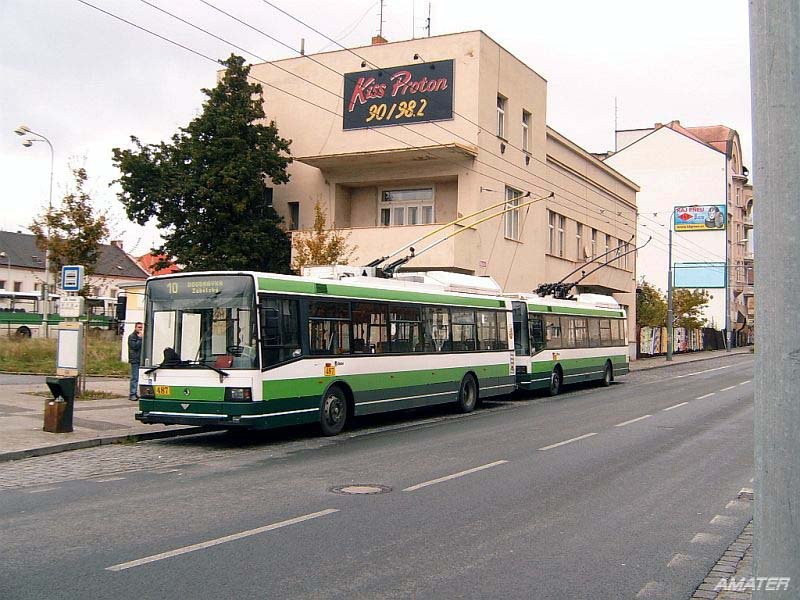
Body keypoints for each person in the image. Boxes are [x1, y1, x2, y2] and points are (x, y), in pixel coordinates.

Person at [128, 322, 143, 401]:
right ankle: (132, 394)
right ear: (135, 328)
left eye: (141, 327)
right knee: (135, 377)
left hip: (140, 359)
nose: (140, 329)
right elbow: (134, 346)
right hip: (135, 359)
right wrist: (140, 338)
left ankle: (135, 393)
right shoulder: (132, 336)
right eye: (139, 327)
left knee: (139, 377)